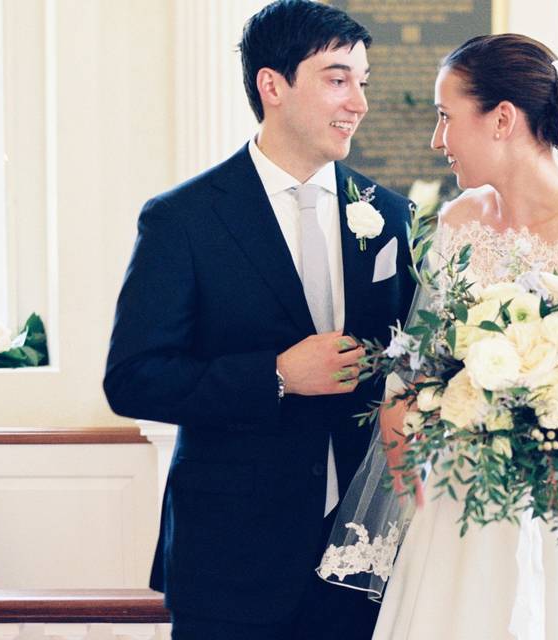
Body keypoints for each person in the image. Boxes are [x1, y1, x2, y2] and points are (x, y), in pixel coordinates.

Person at [319, 34, 558, 639]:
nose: (438, 141)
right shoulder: (460, 224)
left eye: (445, 117)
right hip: (459, 499)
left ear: (502, 119)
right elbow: (424, 356)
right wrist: (405, 408)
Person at [103, 1, 415, 638]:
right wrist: (274, 375)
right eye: (336, 79)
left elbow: (412, 361)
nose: (358, 102)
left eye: (363, 82)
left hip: (364, 555)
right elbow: (133, 378)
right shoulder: (183, 219)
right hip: (231, 556)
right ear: (272, 85)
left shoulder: (389, 213)